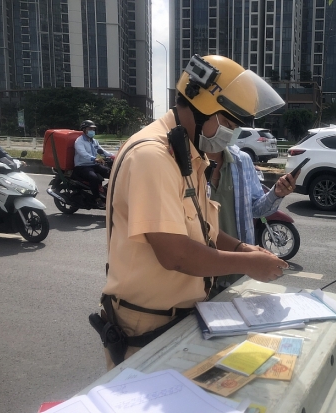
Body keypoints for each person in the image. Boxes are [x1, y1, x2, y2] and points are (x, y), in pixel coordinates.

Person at [97, 54, 293, 370]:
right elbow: (175, 254)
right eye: (228, 124)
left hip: (182, 317)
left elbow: (203, 229)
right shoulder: (153, 156)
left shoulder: (188, 153)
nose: (230, 134)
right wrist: (249, 263)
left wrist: (242, 248)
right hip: (147, 326)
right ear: (200, 108)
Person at [206, 144, 296, 293]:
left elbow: (256, 209)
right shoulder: (186, 161)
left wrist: (276, 193)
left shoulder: (242, 160)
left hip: (238, 275)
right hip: (201, 274)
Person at [73, 120, 113, 208]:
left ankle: (106, 191)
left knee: (112, 172)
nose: (92, 131)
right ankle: (97, 199)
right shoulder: (79, 141)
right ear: (84, 130)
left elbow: (102, 151)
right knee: (93, 177)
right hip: (82, 166)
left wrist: (113, 156)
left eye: (93, 129)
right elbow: (83, 153)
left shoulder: (94, 141)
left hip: (93, 164)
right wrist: (95, 159)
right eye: (90, 129)